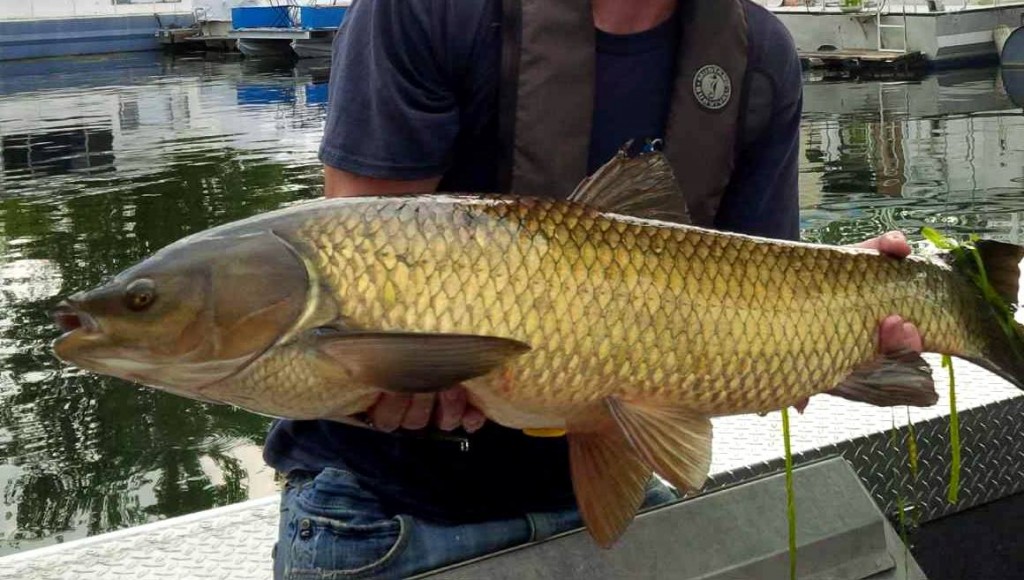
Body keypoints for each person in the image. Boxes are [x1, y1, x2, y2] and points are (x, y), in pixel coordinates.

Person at [265, 0, 925, 578]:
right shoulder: (430, 10)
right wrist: (386, 382)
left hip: (620, 498)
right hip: (388, 516)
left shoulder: (758, 55)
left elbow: (750, 294)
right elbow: (353, 278)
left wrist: (844, 302)